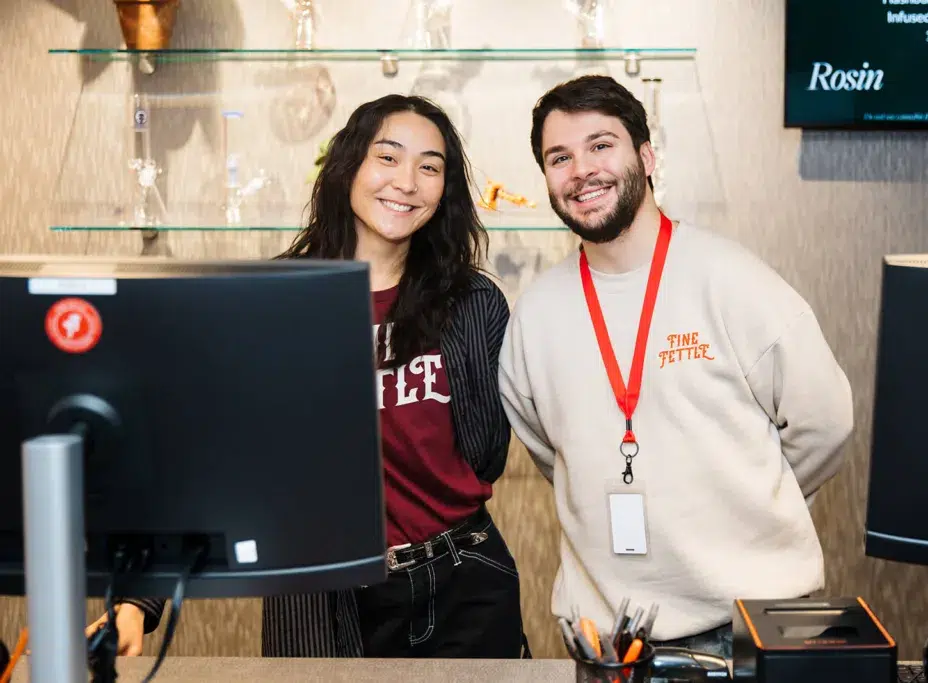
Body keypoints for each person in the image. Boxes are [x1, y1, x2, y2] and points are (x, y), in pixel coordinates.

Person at [85, 94, 528, 660]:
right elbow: (198, 452)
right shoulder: (273, 301)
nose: (408, 182)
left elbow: (487, 452)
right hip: (325, 591)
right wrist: (135, 603)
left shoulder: (473, 302)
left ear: (446, 191)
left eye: (430, 166)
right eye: (387, 157)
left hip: (466, 579)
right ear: (348, 167)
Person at [497, 75, 854, 659]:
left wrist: (752, 505)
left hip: (750, 629)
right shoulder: (534, 317)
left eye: (601, 145)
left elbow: (825, 424)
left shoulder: (733, 281)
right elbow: (552, 453)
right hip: (606, 639)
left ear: (646, 154)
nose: (581, 169)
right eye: (559, 157)